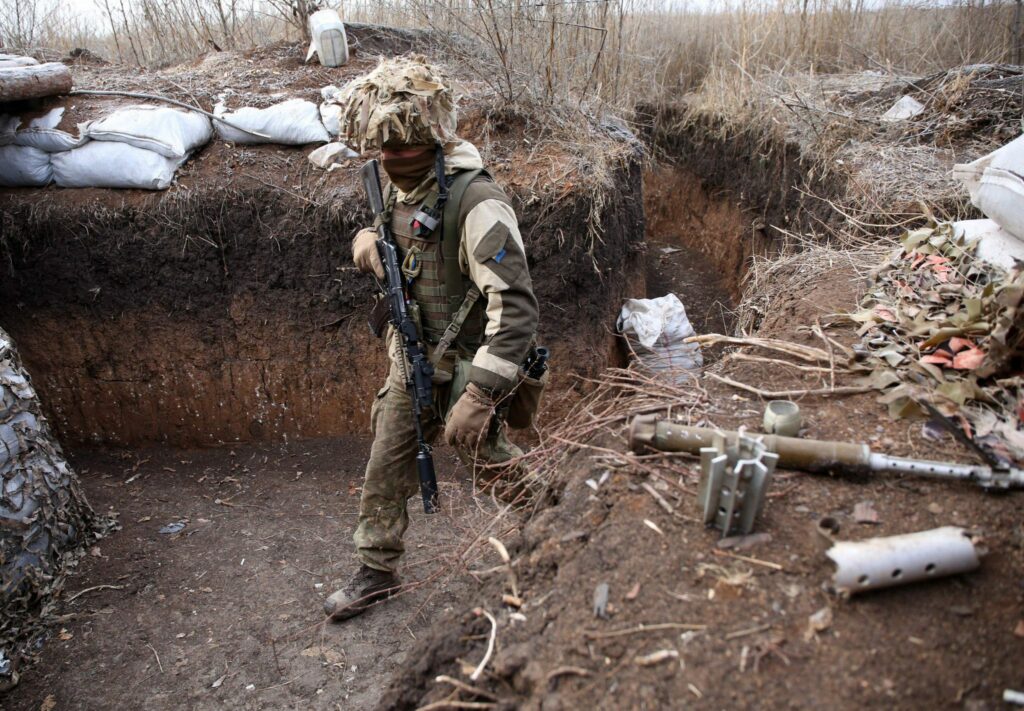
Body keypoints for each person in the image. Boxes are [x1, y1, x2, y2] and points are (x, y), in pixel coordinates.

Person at [324, 56, 541, 621]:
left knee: (492, 464)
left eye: (400, 149)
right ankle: (376, 569)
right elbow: (407, 243)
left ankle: (559, 525)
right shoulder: (405, 186)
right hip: (412, 361)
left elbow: (516, 307)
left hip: (467, 368)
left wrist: (481, 394)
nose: (388, 160)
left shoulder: (477, 202)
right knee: (385, 463)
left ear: (432, 140)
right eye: (381, 150)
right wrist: (369, 239)